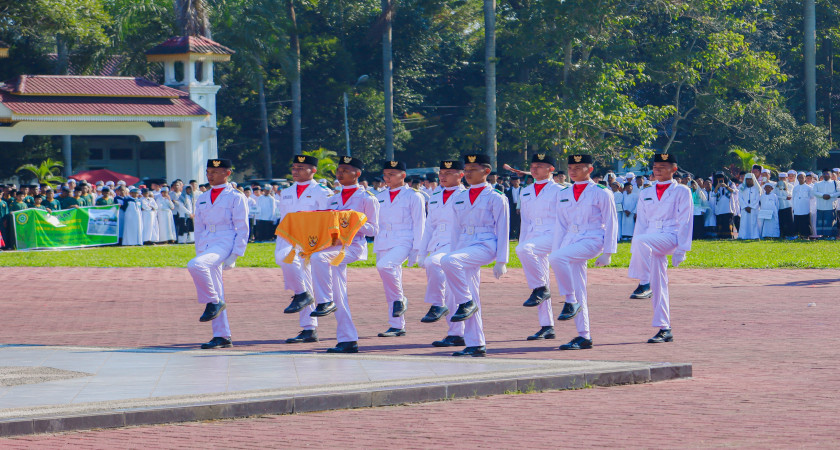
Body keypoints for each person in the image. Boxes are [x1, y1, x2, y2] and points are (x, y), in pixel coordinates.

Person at [309, 156, 380, 353]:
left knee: (318, 258)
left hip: (353, 246)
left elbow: (374, 229)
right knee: (339, 294)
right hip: (333, 246)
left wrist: (352, 223)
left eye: (345, 170)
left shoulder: (367, 199)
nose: (340, 173)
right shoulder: (333, 198)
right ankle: (348, 340)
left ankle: (324, 301)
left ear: (357, 174)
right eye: (339, 170)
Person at [442, 153, 509, 356]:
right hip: (464, 245)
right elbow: (455, 229)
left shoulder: (496, 197)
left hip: (486, 243)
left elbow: (503, 229)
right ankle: (476, 344)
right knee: (471, 292)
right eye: (467, 170)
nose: (468, 174)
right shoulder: (459, 197)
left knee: (449, 263)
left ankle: (465, 302)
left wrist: (502, 260)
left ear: (486, 172)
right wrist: (454, 250)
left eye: (473, 170)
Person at [549, 154, 617, 351]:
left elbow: (612, 222)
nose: (573, 170)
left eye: (579, 167)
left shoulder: (602, 192)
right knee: (579, 288)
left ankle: (569, 301)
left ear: (590, 169)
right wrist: (557, 249)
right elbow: (560, 225)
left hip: (592, 239)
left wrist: (608, 252)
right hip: (571, 240)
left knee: (559, 263)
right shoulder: (563, 193)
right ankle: (584, 336)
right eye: (571, 167)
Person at [628, 153, 692, 344]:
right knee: (660, 284)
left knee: (642, 242)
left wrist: (682, 249)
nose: (657, 170)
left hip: (671, 235)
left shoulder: (681, 191)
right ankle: (665, 328)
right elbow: (641, 222)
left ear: (674, 169)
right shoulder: (646, 192)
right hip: (650, 238)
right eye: (655, 166)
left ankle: (643, 283)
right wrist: (636, 249)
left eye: (663, 167)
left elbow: (686, 221)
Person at [188, 158, 249, 349]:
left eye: (214, 172)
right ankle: (222, 336)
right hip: (207, 241)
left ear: (227, 173)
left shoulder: (236, 197)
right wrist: (199, 249)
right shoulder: (203, 197)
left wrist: (236, 254)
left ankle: (213, 302)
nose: (210, 175)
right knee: (215, 285)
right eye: (208, 172)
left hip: (225, 240)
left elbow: (243, 227)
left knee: (195, 265)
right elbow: (198, 226)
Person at [275, 154, 333, 344]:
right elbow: (284, 219)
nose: (296, 171)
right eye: (294, 167)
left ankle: (306, 311)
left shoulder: (322, 191)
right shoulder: (287, 192)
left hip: (312, 240)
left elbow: (327, 218)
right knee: (298, 275)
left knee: (300, 273)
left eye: (301, 168)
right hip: (290, 239)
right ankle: (308, 326)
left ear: (313, 170)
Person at [416, 160, 467, 347]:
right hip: (437, 243)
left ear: (461, 175)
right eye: (441, 172)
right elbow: (429, 225)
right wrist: (422, 251)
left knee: (455, 288)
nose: (443, 176)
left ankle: (437, 305)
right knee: (452, 292)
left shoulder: (466, 195)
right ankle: (455, 333)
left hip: (456, 244)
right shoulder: (436, 194)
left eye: (448, 172)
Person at [374, 160, 426, 337]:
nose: (386, 177)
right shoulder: (379, 196)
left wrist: (417, 250)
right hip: (383, 241)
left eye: (391, 174)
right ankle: (397, 325)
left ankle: (401, 299)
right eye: (385, 174)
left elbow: (420, 224)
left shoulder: (414, 196)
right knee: (390, 282)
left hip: (404, 240)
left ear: (403, 176)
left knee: (385, 267)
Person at [514, 153, 562, 341]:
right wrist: (522, 241)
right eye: (533, 165)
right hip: (533, 237)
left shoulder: (559, 190)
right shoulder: (525, 191)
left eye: (540, 166)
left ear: (551, 169)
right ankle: (547, 326)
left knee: (540, 284)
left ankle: (540, 289)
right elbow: (525, 221)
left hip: (553, 235)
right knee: (541, 283)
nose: (534, 169)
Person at [810, 169, 840, 238]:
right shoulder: (817, 183)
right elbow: (814, 192)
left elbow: (839, 192)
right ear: (822, 175)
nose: (826, 175)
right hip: (820, 206)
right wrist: (822, 195)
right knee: (821, 222)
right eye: (824, 174)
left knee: (830, 221)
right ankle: (822, 236)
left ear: (831, 174)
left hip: (831, 206)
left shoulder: (835, 183)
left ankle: (831, 236)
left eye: (827, 174)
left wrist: (830, 196)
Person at [712, 172, 736, 239]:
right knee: (720, 223)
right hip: (719, 208)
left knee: (728, 223)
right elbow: (713, 194)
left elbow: (734, 192)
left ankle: (729, 236)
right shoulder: (714, 185)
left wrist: (726, 186)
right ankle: (720, 236)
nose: (720, 179)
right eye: (718, 178)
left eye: (721, 177)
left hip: (728, 208)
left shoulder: (731, 184)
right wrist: (717, 186)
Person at [737, 173, 761, 240]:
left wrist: (751, 206)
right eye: (747, 179)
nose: (749, 181)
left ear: (753, 180)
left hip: (754, 209)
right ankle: (742, 236)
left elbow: (757, 199)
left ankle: (755, 236)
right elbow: (740, 198)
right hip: (744, 209)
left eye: (750, 179)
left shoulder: (757, 189)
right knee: (744, 223)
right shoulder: (741, 188)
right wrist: (745, 206)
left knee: (754, 222)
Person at [792, 172, 813, 238]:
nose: (801, 179)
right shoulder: (795, 188)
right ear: (797, 178)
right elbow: (793, 198)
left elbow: (812, 197)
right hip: (797, 208)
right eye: (799, 177)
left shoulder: (808, 188)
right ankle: (798, 235)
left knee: (805, 222)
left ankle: (806, 235)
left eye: (802, 177)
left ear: (805, 178)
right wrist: (793, 208)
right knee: (797, 222)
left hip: (805, 207)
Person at [774, 173, 795, 238]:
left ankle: (790, 234)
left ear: (786, 178)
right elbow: (776, 196)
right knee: (781, 221)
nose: (782, 180)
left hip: (788, 205)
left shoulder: (790, 186)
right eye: (781, 178)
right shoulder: (775, 186)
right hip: (779, 206)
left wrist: (784, 190)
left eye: (784, 178)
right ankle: (782, 234)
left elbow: (789, 196)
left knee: (789, 221)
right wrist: (784, 197)